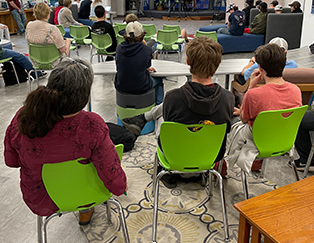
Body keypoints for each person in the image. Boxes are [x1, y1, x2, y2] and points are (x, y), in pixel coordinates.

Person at [4, 58, 127, 225]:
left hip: (41, 197)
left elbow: (11, 161)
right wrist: (121, 187)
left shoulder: (23, 117)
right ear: (84, 95)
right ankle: (84, 209)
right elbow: (110, 171)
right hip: (87, 193)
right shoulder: (92, 124)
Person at [121, 37, 235, 187]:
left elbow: (169, 126)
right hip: (210, 156)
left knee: (163, 119)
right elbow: (226, 130)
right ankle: (142, 119)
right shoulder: (228, 98)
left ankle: (143, 120)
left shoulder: (173, 97)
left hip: (175, 155)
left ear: (188, 61)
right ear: (217, 64)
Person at [227, 43, 302, 174]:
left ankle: (227, 164)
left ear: (260, 67)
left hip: (259, 141)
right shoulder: (296, 90)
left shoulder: (254, 94)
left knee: (234, 121)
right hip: (285, 141)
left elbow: (244, 119)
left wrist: (251, 87)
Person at [115, 21, 164, 105]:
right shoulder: (147, 50)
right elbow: (147, 64)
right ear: (142, 36)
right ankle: (158, 107)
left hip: (121, 85)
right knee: (158, 80)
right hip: (141, 86)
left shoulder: (119, 48)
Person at [26, 2, 71, 66]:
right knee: (67, 41)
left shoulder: (29, 26)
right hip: (54, 62)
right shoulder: (53, 29)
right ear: (48, 14)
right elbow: (63, 50)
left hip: (36, 61)